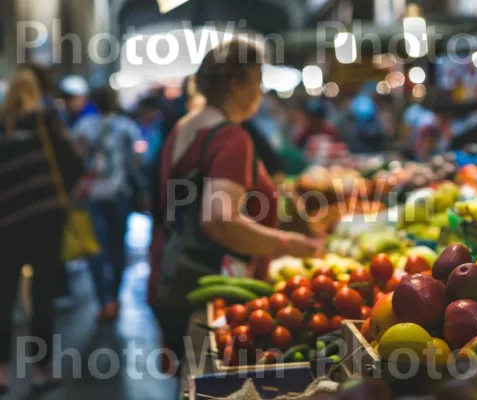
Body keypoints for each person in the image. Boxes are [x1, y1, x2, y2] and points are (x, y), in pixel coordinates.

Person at [149, 39, 321, 372]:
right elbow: (219, 219)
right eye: (257, 80)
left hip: (173, 281)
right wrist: (289, 244)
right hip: (214, 291)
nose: (261, 89)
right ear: (235, 83)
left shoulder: (182, 129)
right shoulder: (231, 137)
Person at [0, 69, 82, 392]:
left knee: (3, 296)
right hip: (45, 219)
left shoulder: (1, 127)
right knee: (43, 293)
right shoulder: (45, 121)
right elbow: (73, 162)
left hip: (5, 222)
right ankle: (41, 370)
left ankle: (2, 372)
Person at [73, 87, 143, 323]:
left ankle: (105, 301)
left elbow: (77, 158)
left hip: (92, 194)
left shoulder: (84, 126)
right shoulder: (127, 126)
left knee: (95, 249)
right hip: (118, 194)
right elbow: (136, 161)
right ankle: (114, 295)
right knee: (117, 247)